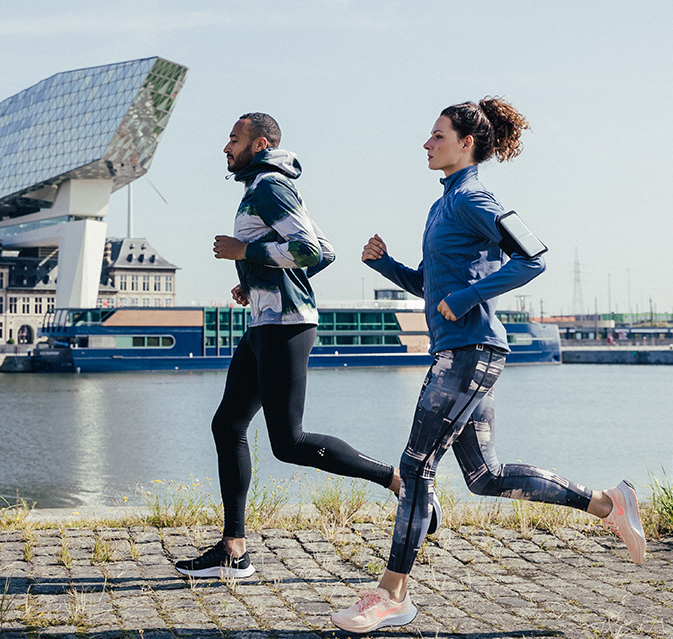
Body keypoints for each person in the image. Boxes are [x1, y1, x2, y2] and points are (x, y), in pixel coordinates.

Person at [329, 98, 646, 633]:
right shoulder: (443, 205)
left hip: (469, 352)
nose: (427, 144)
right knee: (484, 477)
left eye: (437, 135)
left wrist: (473, 294)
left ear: (465, 143)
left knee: (414, 467)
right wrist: (384, 264)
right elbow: (433, 288)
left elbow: (534, 256)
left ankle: (391, 595)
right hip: (460, 349)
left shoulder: (476, 197)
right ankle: (609, 503)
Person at [174, 112, 404, 579]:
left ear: (258, 144)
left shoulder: (269, 187)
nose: (225, 147)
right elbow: (324, 248)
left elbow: (310, 252)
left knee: (289, 443)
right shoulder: (261, 185)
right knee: (228, 424)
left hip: (286, 326)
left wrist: (246, 254)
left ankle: (400, 483)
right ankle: (234, 549)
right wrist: (254, 281)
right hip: (265, 322)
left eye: (233, 139)